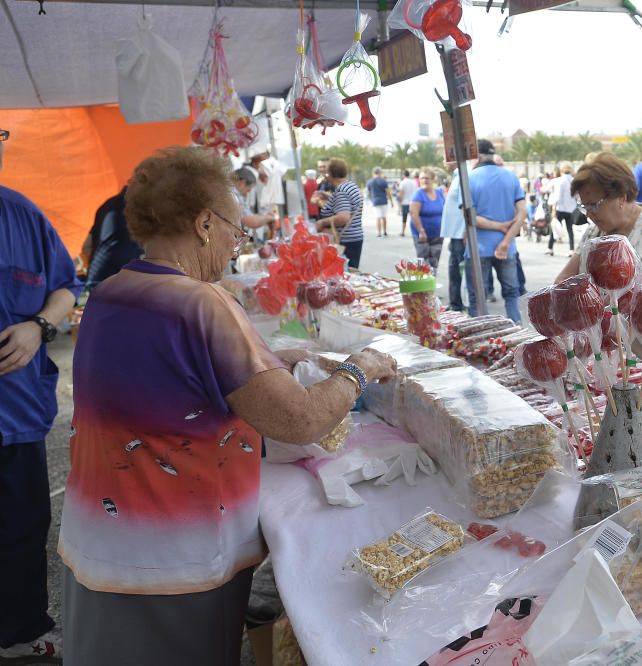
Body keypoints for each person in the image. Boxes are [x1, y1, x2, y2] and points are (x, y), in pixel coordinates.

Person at [58, 146, 397, 665]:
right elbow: (301, 419)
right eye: (236, 233)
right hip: (173, 555)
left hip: (100, 535)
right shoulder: (203, 301)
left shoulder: (109, 292)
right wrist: (361, 368)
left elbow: (158, 376)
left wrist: (268, 359)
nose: (236, 248)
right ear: (203, 224)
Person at [0, 126, 82, 664]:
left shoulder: (20, 214)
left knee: (21, 529)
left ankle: (20, 634)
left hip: (16, 413)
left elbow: (64, 285)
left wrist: (39, 326)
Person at [555, 152, 642, 292]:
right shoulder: (594, 233)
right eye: (585, 207)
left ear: (621, 197)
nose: (589, 214)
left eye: (594, 205)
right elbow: (563, 281)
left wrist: (632, 300)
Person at [466, 139, 526, 322]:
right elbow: (522, 213)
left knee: (478, 298)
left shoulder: (469, 178)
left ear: (477, 156)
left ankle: (479, 337)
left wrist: (496, 226)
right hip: (507, 249)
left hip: (478, 249)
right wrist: (506, 240)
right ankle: (519, 335)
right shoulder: (510, 177)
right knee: (512, 295)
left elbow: (470, 217)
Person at [82, 186, 143, 286]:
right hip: (125, 283)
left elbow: (86, 247)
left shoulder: (106, 206)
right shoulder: (142, 208)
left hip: (95, 281)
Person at [317, 158, 365, 269]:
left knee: (345, 273)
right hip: (354, 237)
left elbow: (343, 217)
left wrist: (322, 222)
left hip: (345, 240)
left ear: (331, 174)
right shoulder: (350, 186)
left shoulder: (341, 191)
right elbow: (350, 204)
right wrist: (330, 197)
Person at [440, 161, 467, 311]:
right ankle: (455, 301)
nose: (444, 162)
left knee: (458, 269)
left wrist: (465, 231)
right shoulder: (457, 176)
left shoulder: (463, 175)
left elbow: (466, 206)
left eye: (446, 158)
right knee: (454, 268)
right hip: (454, 233)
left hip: (459, 233)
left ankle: (458, 303)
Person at [409, 168, 446, 274]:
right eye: (422, 178)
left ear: (433, 179)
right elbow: (413, 214)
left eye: (427, 178)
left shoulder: (439, 193)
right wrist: (421, 231)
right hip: (422, 235)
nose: (424, 180)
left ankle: (430, 288)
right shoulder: (418, 194)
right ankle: (423, 289)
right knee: (423, 264)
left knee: (434, 263)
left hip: (438, 234)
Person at [547, 162, 579, 257]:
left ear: (561, 170)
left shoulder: (559, 181)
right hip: (571, 209)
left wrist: (553, 209)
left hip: (560, 208)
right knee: (570, 230)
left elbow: (557, 196)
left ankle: (550, 247)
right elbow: (577, 195)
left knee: (555, 228)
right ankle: (571, 249)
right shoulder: (573, 181)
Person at [366, 167, 391, 238]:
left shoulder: (370, 181)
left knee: (378, 217)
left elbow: (369, 192)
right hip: (383, 201)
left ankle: (379, 233)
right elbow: (387, 192)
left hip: (375, 201)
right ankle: (385, 232)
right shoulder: (383, 181)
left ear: (374, 173)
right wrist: (391, 201)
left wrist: (371, 199)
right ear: (380, 173)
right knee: (384, 217)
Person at [397, 170, 418, 237]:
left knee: (404, 218)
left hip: (405, 202)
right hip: (413, 202)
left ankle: (403, 232)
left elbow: (401, 193)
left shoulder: (403, 182)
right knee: (414, 218)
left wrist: (399, 204)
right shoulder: (414, 182)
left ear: (403, 175)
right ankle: (415, 231)